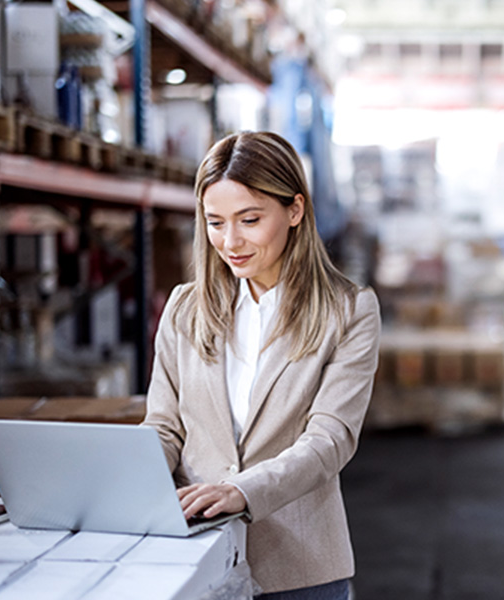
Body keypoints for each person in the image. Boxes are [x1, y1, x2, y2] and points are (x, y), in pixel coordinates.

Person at [141, 131, 381, 598]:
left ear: (295, 210)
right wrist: (123, 480)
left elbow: (330, 440)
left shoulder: (349, 311)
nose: (230, 242)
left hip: (298, 566)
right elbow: (165, 426)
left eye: (249, 220)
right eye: (215, 222)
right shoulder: (185, 308)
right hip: (193, 552)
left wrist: (243, 491)